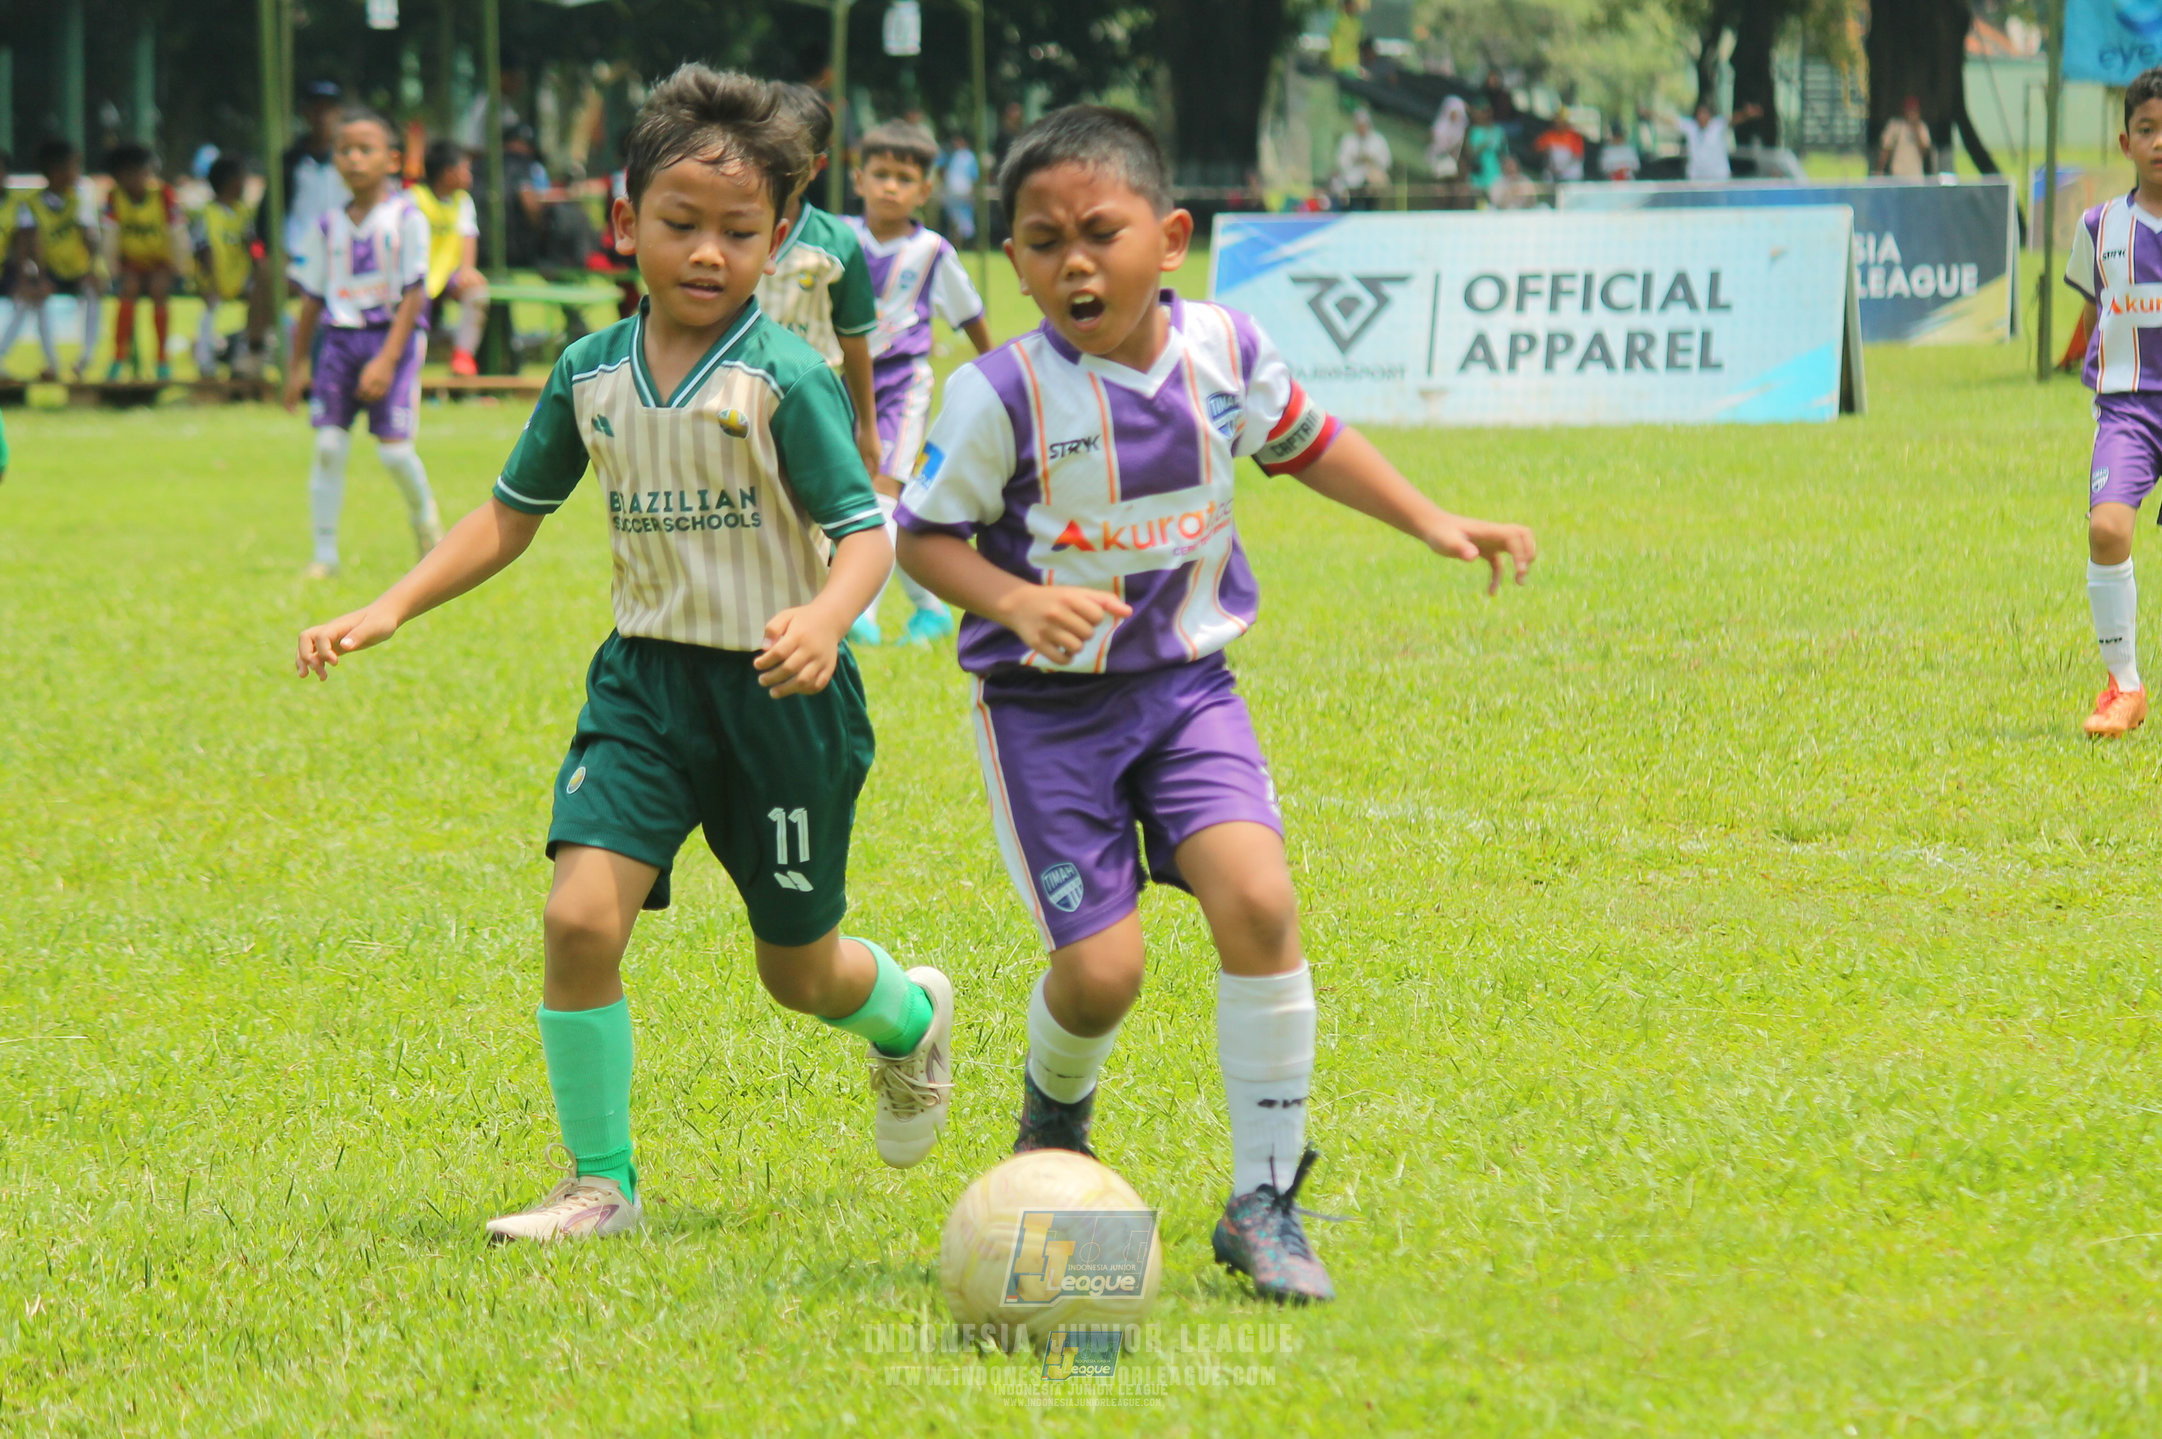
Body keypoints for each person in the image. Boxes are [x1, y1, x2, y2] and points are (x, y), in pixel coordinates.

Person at [295, 65, 953, 1243]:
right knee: (579, 920)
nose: (707, 253)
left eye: (738, 233)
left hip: (778, 701)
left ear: (778, 241)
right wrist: (389, 607)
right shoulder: (587, 372)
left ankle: (907, 1019)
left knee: (795, 974)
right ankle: (602, 1183)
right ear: (626, 224)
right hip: (645, 688)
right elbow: (509, 511)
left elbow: (865, 533)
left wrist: (819, 617)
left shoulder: (784, 377)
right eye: (680, 225)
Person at [893, 106, 1536, 1304]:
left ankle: (1265, 1198)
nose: (1070, 263)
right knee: (1104, 975)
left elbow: (1310, 442)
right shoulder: (998, 395)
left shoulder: (1226, 351)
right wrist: (1017, 601)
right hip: (1044, 715)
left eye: (1098, 232)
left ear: (1170, 236)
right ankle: (1054, 1120)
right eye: (1038, 243)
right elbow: (922, 539)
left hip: (1187, 693)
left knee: (1258, 898)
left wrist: (1434, 520)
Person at [845, 121, 994, 647]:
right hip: (838, 383)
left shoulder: (933, 251)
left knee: (883, 491)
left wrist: (1000, 376)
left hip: (902, 386)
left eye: (904, 179)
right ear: (857, 178)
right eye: (880, 174)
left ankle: (859, 614)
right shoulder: (838, 241)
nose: (890, 187)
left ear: (925, 191)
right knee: (867, 505)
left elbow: (971, 316)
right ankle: (929, 609)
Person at [280, 107, 442, 578]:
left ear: (392, 160)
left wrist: (387, 361)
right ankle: (324, 554)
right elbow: (311, 298)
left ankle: (425, 521)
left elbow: (416, 292)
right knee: (328, 446)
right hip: (339, 343)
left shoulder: (408, 218)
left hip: (392, 339)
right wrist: (297, 366)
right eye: (344, 150)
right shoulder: (328, 227)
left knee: (393, 451)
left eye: (365, 149)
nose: (354, 159)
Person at [2064, 67, 2162, 738]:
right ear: (2125, 141)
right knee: (2107, 531)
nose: (2161, 142)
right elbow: (2096, 307)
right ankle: (2123, 686)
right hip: (2130, 409)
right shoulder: (2100, 228)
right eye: (2149, 130)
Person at [755, 84, 882, 486]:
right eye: (764, 155)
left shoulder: (837, 243)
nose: (775, 171)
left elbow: (855, 339)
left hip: (815, 401)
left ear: (816, 166)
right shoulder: (728, 235)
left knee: (815, 521)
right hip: (738, 397)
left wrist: (868, 425)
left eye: (790, 161)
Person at [0, 138, 104, 382]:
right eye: (74, 166)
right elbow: (30, 243)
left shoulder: (79, 199)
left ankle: (84, 359)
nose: (78, 172)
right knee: (37, 299)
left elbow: (89, 237)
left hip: (76, 270)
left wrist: (94, 269)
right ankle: (51, 364)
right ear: (56, 171)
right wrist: (40, 278)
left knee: (92, 294)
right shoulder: (32, 204)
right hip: (50, 270)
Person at [101, 144, 187, 382]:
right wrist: (113, 271)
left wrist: (180, 268)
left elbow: (177, 233)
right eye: (129, 174)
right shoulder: (114, 198)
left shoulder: (164, 195)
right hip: (131, 264)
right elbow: (109, 237)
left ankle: (162, 358)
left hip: (160, 263)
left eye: (142, 172)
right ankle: (119, 356)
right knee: (128, 290)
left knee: (160, 290)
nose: (137, 179)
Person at [412, 140, 491, 377]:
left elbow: (468, 236)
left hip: (447, 275)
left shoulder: (463, 202)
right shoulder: (414, 199)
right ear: (447, 173)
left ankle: (463, 356)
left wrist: (467, 269)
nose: (469, 175)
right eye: (464, 169)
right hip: (416, 275)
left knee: (477, 293)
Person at [192, 155, 270, 379]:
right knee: (209, 311)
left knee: (259, 304)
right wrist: (210, 280)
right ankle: (205, 362)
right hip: (213, 278)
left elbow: (252, 244)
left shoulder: (243, 213)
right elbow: (203, 248)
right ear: (231, 181)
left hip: (240, 277)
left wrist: (258, 262)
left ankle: (245, 355)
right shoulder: (207, 214)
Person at [275, 81, 352, 257]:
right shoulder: (291, 161)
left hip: (342, 255)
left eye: (328, 110)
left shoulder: (350, 159)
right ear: (306, 113)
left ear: (339, 113)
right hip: (298, 255)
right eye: (316, 109)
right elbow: (272, 211)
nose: (322, 117)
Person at [1677, 100, 1763, 182]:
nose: (1701, 117)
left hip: (1719, 178)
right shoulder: (1691, 127)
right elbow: (1672, 121)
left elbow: (1734, 119)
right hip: (1696, 179)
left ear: (1709, 115)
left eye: (1704, 113)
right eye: (1699, 114)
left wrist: (1746, 114)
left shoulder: (1718, 125)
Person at [1331, 107, 1392, 210]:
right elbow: (1341, 162)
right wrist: (1356, 159)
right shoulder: (1348, 140)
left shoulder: (1378, 140)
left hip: (1371, 184)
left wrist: (1371, 160)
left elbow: (1386, 162)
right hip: (1352, 182)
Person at [939, 132, 981, 243]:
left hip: (963, 191)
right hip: (952, 192)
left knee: (963, 218)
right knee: (953, 218)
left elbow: (973, 176)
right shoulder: (951, 155)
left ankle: (963, 242)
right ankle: (956, 241)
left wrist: (971, 191)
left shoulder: (969, 157)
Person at [1878, 95, 1933, 178]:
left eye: (1914, 110)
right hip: (1897, 174)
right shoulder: (1895, 125)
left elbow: (1925, 151)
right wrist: (1879, 170)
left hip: (1915, 175)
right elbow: (1886, 149)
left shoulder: (1922, 127)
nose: (1911, 113)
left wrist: (1916, 130)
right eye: (1909, 110)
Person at [1464, 104, 1507, 197]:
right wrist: (1482, 147)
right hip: (1477, 178)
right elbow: (1468, 154)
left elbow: (1504, 154)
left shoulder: (1498, 131)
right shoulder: (1473, 131)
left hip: (1496, 177)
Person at [1426, 95, 1468, 181]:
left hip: (1450, 158)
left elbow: (1457, 149)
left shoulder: (1461, 129)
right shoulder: (1442, 123)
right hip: (1436, 154)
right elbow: (1433, 138)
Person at [1534, 119, 1585, 183]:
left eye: (1561, 123)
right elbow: (1536, 149)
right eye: (1557, 123)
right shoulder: (1549, 135)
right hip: (1553, 172)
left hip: (1570, 174)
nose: (1559, 125)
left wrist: (1562, 168)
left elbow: (1577, 156)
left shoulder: (1574, 136)